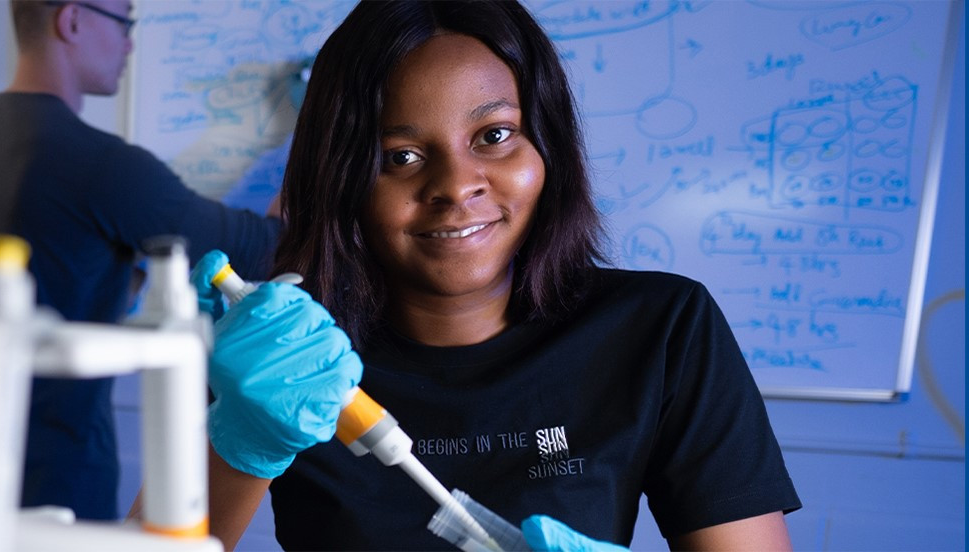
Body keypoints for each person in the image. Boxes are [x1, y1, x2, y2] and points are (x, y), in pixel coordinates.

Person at [194, 1, 801, 550]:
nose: (457, 186)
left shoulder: (662, 329)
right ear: (342, 179)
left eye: (494, 135)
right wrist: (236, 445)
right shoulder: (283, 357)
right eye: (400, 156)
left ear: (548, 148)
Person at [0, 0, 284, 521]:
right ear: (71, 20)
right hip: (57, 484)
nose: (131, 42)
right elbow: (261, 247)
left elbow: (53, 271)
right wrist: (305, 135)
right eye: (125, 22)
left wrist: (131, 273)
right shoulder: (98, 164)